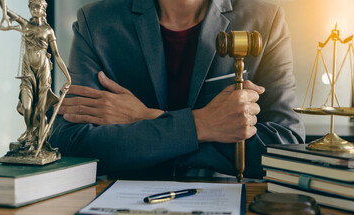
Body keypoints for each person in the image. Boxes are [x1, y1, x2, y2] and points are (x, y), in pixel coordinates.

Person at [50, 0, 305, 179]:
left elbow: (287, 147)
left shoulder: (265, 21)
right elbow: (72, 145)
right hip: (122, 208)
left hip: (228, 202)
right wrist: (201, 125)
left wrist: (147, 117)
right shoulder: (96, 23)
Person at [0, 0, 71, 153]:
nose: (34, 9)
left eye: (37, 6)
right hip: (27, 70)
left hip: (44, 70)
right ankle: (30, 133)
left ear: (43, 9)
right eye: (31, 6)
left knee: (40, 111)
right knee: (26, 106)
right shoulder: (25, 25)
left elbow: (57, 56)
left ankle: (38, 142)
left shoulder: (48, 31)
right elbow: (6, 10)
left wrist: (68, 77)